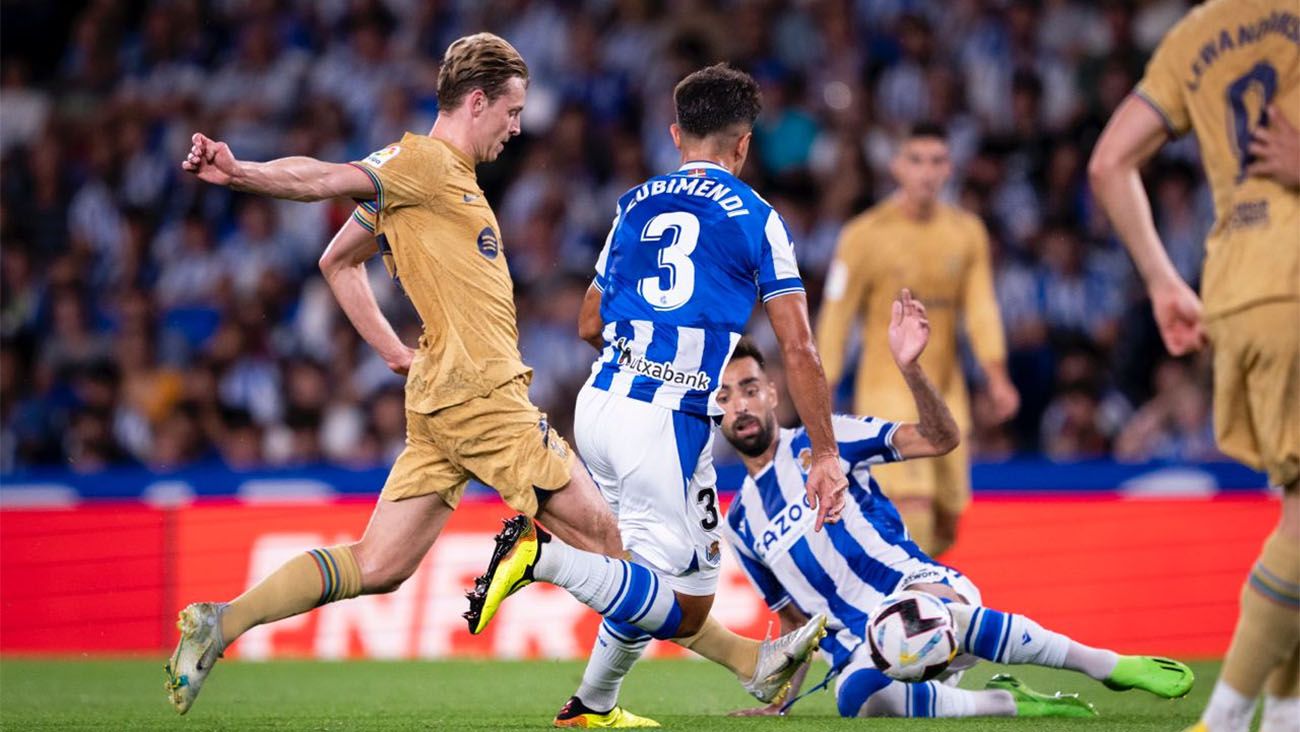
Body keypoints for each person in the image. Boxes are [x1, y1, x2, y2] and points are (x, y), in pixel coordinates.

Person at [163, 34, 817, 718]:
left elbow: (338, 261)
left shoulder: (436, 185)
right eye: (512, 110)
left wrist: (395, 353)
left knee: (379, 564)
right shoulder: (421, 163)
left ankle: (222, 621)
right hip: (483, 398)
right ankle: (668, 679)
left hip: (438, 400)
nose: (518, 125)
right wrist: (242, 174)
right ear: (477, 101)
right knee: (607, 546)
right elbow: (327, 177)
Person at [464, 64, 848, 728]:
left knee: (667, 584)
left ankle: (593, 705)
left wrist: (637, 365)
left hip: (603, 403)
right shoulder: (759, 218)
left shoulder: (634, 204)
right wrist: (826, 453)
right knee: (673, 595)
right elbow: (800, 348)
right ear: (745, 144)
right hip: (664, 420)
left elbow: (588, 322)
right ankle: (542, 556)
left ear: (676, 135)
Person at [719, 292, 1195, 720]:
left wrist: (912, 371)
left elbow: (940, 438)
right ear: (713, 412)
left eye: (749, 388)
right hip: (861, 649)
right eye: (724, 397)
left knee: (911, 620)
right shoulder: (740, 521)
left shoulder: (828, 438)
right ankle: (1007, 703)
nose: (739, 405)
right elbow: (794, 621)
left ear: (774, 393)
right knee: (857, 701)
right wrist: (779, 702)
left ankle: (1104, 664)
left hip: (919, 593)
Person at [1087, 2, 1299, 730]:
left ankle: (1284, 713)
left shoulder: (1195, 34)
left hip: (1235, 289)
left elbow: (1109, 161)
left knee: (1295, 515)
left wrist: (1161, 280)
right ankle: (1229, 716)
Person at [815, 122, 1018, 558]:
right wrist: (821, 389)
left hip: (947, 394)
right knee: (912, 507)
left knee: (946, 520)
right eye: (916, 160)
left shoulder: (967, 233)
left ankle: (910, 600)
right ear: (896, 167)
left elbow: (981, 308)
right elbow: (836, 317)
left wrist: (996, 375)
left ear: (950, 169)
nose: (927, 172)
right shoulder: (863, 236)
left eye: (937, 161)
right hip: (886, 394)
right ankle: (912, 611)